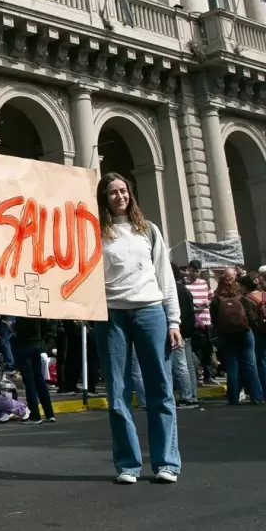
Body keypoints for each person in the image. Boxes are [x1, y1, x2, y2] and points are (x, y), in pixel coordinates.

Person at [94, 173, 181, 485]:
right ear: (104, 198)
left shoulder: (148, 230)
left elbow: (165, 277)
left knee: (159, 389)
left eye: (124, 191)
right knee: (117, 394)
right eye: (113, 192)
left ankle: (166, 463)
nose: (120, 197)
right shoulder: (94, 233)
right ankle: (128, 465)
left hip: (150, 312)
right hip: (111, 316)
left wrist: (174, 321)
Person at [210, 273, 263, 406]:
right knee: (251, 365)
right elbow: (251, 317)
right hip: (245, 334)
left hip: (226, 336)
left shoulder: (216, 300)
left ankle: (233, 398)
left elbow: (214, 321)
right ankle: (257, 396)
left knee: (232, 366)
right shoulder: (241, 298)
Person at [13, 316, 56, 424]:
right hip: (36, 344)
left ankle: (35, 415)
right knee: (39, 379)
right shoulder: (37, 312)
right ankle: (49, 413)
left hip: (24, 345)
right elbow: (45, 327)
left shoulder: (22, 313)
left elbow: (17, 328)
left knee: (30, 382)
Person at [171, 265, 200, 408]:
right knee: (188, 365)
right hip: (187, 331)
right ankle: (192, 395)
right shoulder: (185, 290)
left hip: (179, 331)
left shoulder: (174, 291)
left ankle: (187, 397)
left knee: (181, 365)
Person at [185, 261, 214, 384]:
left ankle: (209, 375)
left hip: (206, 320)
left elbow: (211, 297)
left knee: (207, 349)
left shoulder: (204, 283)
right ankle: (197, 376)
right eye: (192, 270)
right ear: (188, 270)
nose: (194, 273)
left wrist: (208, 302)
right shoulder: (184, 284)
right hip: (193, 321)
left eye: (197, 271)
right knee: (195, 350)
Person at [241, 275, 266, 393]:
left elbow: (250, 318)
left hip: (257, 331)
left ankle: (263, 390)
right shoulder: (264, 294)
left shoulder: (247, 299)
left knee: (261, 361)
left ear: (245, 287)